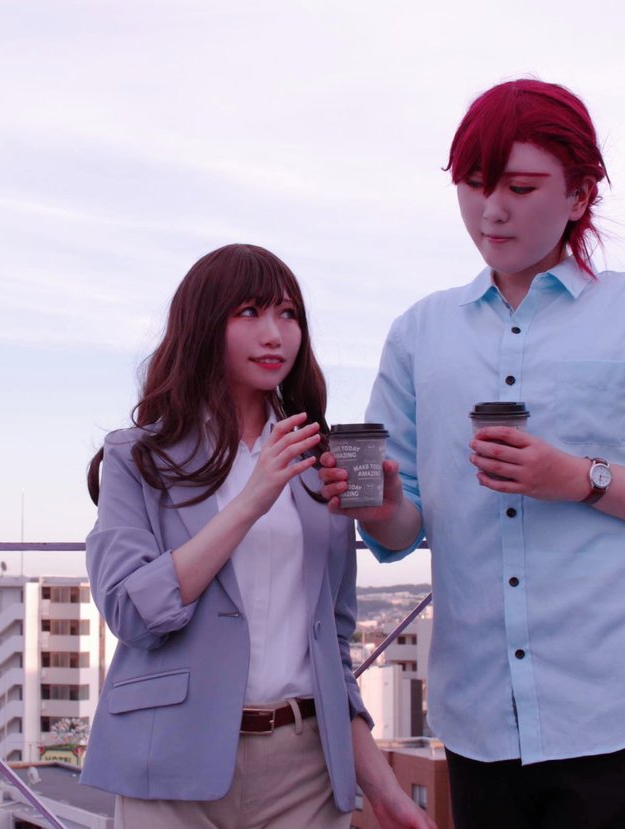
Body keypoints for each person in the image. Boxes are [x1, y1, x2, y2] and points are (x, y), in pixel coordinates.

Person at [320, 80, 625, 828]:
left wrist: (581, 478)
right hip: (481, 716)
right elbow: (402, 527)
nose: (492, 209)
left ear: (580, 195)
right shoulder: (419, 333)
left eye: (520, 188)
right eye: (474, 184)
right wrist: (385, 506)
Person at [82, 243, 433, 829]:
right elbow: (131, 613)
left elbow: (333, 648)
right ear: (202, 325)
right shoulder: (136, 457)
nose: (275, 335)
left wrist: (385, 789)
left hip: (305, 771)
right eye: (249, 312)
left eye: (288, 314)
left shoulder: (320, 461)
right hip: (168, 764)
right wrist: (250, 501)